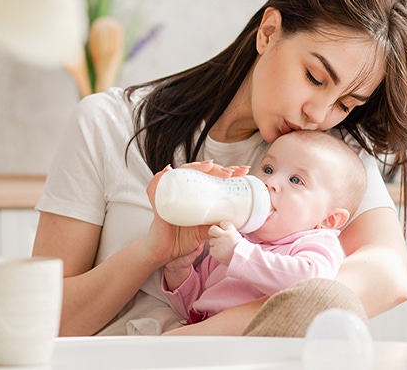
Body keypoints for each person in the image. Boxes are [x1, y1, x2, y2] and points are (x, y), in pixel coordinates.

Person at [33, 0, 407, 337]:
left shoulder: (327, 158)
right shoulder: (107, 123)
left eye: (345, 104)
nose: (317, 115)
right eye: (314, 77)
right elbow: (41, 321)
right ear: (269, 32)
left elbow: (389, 276)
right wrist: (150, 252)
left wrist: (201, 339)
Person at [157, 130, 367, 327]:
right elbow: (195, 304)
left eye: (296, 180)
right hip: (201, 332)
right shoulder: (238, 236)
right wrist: (179, 270)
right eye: (268, 169)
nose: (271, 182)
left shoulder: (314, 243)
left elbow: (310, 286)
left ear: (329, 219)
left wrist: (239, 255)